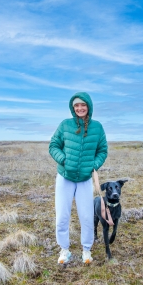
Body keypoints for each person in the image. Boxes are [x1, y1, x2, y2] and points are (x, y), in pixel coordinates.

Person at [49, 92, 108, 265]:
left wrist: (93, 165)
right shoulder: (65, 125)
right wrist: (63, 159)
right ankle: (64, 250)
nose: (80, 108)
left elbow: (102, 150)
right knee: (62, 216)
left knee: (87, 216)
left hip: (84, 179)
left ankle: (86, 251)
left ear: (88, 106)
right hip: (65, 177)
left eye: (83, 105)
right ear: (72, 108)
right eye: (76, 106)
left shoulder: (97, 127)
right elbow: (53, 145)